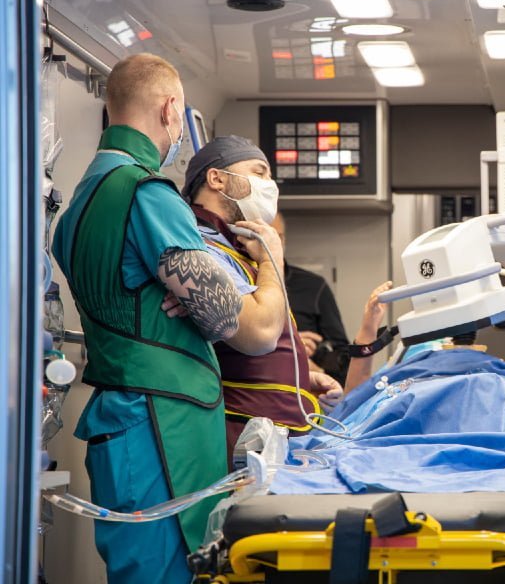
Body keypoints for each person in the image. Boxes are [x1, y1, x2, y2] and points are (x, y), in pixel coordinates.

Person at [51, 54, 243, 584]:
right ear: (170, 109)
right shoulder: (147, 193)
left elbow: (127, 293)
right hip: (163, 425)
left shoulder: (77, 209)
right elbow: (225, 314)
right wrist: (212, 292)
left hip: (122, 422)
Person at [179, 136, 343, 462]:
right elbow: (260, 334)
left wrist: (296, 375)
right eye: (260, 172)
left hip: (274, 431)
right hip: (241, 436)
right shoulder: (201, 251)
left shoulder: (237, 252)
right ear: (217, 178)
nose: (270, 186)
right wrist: (272, 260)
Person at [271, 213, 351, 383]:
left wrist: (317, 355)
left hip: (303, 390)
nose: (268, 243)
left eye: (274, 236)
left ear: (283, 239)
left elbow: (342, 357)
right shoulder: (238, 282)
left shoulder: (314, 286)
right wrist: (291, 344)